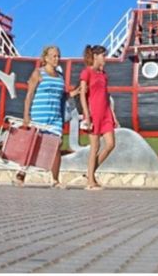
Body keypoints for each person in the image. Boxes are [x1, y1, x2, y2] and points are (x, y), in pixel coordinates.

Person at [17, 45, 77, 188]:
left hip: (55, 117)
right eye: (53, 56)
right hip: (39, 115)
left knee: (56, 145)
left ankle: (55, 180)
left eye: (58, 56)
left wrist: (74, 93)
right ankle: (21, 174)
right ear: (46, 58)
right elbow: (29, 95)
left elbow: (62, 96)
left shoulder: (60, 76)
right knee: (33, 145)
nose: (56, 59)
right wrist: (26, 115)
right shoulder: (38, 73)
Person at [79, 44, 115, 191]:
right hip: (93, 113)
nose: (105, 58)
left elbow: (106, 96)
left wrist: (114, 115)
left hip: (106, 113)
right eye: (103, 55)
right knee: (95, 147)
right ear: (95, 56)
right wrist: (87, 115)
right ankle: (90, 181)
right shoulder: (86, 72)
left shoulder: (104, 75)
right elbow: (82, 95)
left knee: (111, 144)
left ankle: (90, 173)